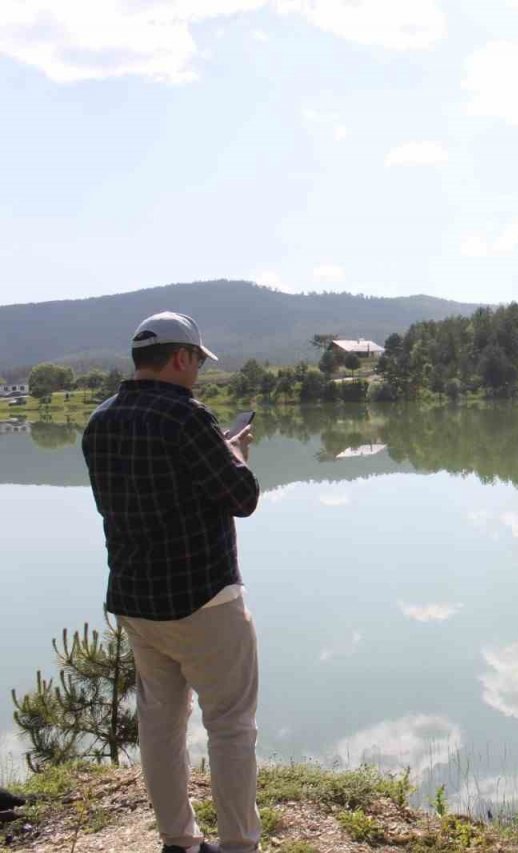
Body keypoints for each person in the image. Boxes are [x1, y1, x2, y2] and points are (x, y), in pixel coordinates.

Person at [82, 312, 260, 853]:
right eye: (198, 361)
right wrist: (235, 452)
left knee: (160, 725)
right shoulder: (187, 416)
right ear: (181, 357)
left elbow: (148, 490)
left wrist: (213, 454)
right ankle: (239, 845)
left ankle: (178, 841)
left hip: (136, 600)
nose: (198, 372)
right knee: (230, 724)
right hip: (204, 599)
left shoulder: (99, 421)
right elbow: (242, 497)